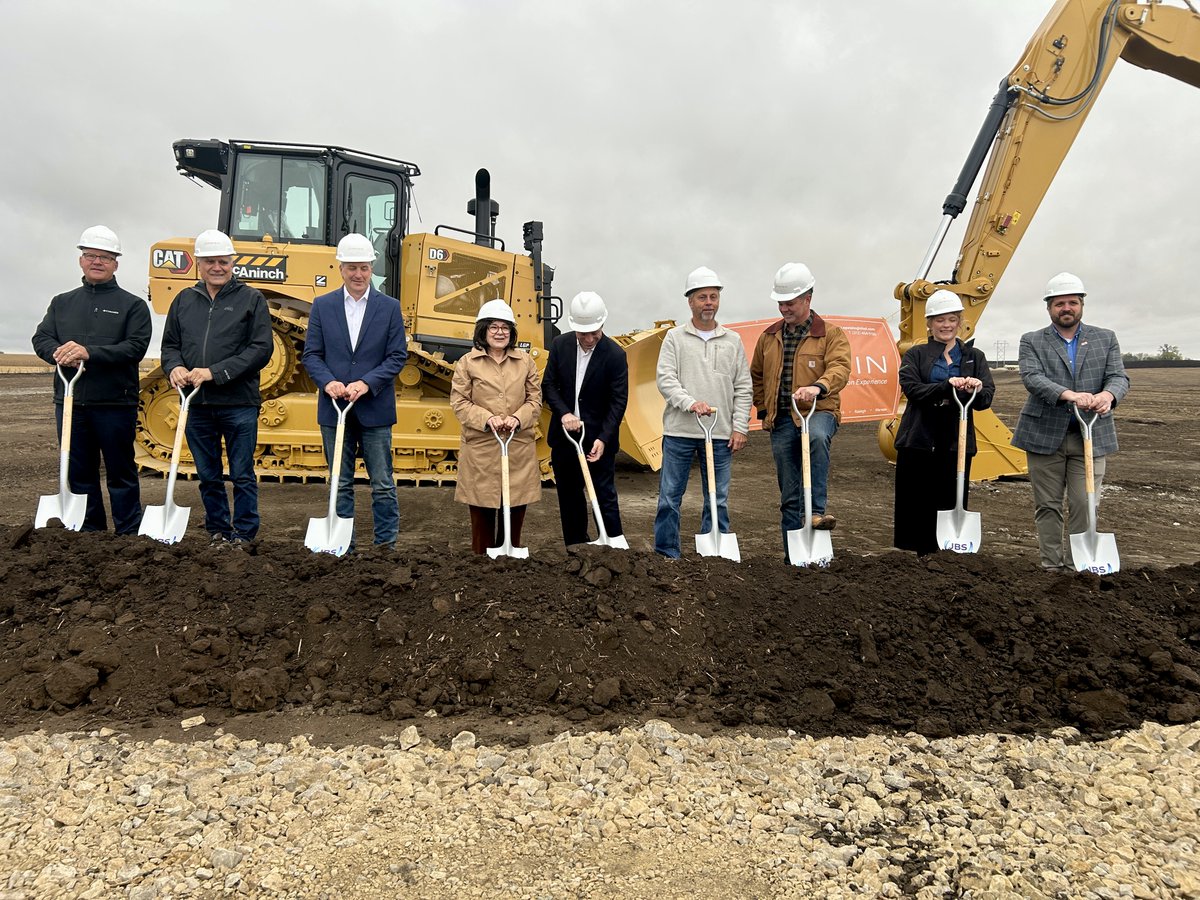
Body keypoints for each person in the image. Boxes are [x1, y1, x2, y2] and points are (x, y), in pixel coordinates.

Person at [31, 226, 152, 534]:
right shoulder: (62, 302)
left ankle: (128, 532)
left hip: (114, 402)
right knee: (79, 471)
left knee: (120, 471)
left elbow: (135, 347)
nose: (97, 261)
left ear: (116, 263)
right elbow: (41, 337)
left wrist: (89, 352)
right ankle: (90, 531)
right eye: (90, 255)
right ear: (81, 260)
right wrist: (59, 353)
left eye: (105, 257)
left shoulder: (133, 305)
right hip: (71, 402)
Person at [160, 229, 272, 547]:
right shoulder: (184, 301)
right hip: (196, 404)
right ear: (199, 264)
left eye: (223, 261)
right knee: (208, 475)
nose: (217, 267)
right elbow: (170, 345)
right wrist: (175, 367)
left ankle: (245, 533)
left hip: (238, 403)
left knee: (241, 473)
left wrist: (215, 372)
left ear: (233, 263)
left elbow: (261, 349)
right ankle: (217, 529)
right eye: (210, 261)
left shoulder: (251, 300)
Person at [1012, 272, 1130, 570]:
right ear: (1049, 307)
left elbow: (1118, 376)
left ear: (1081, 305)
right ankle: (1051, 566)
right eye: (1059, 303)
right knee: (1048, 505)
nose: (1067, 308)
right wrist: (1068, 394)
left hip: (1091, 433)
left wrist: (1107, 396)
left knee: (1085, 502)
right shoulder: (1032, 341)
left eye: (1072, 302)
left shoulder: (1106, 338)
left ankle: (1081, 565)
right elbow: (1032, 378)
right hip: (1043, 433)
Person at [301, 233, 408, 549]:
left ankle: (385, 545)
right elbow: (312, 354)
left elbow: (397, 356)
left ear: (371, 267)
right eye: (351, 268)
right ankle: (341, 543)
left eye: (363, 267)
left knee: (383, 483)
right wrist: (328, 382)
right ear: (341, 269)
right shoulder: (323, 306)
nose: (358, 274)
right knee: (339, 481)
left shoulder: (389, 308)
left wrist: (367, 383)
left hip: (374, 408)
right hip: (335, 410)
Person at [750, 262, 851, 551]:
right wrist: (763, 408)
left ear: (807, 298)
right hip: (782, 418)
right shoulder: (769, 338)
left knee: (817, 437)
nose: (784, 309)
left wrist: (818, 387)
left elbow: (840, 367)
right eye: (781, 303)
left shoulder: (831, 334)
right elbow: (757, 375)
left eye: (790, 303)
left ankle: (817, 512)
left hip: (819, 412)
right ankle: (792, 558)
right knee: (790, 495)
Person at [653, 266, 752, 558]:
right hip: (679, 432)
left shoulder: (732, 341)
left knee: (717, 498)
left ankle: (716, 554)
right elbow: (666, 380)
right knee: (669, 498)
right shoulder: (674, 338)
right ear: (690, 302)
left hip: (719, 434)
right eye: (701, 297)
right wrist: (690, 402)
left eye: (713, 296)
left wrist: (740, 427)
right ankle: (666, 553)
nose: (708, 302)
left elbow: (743, 387)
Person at [892, 290, 995, 554]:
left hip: (956, 435)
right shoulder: (915, 355)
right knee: (917, 500)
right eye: (939, 320)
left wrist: (975, 387)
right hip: (919, 434)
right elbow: (912, 389)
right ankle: (920, 555)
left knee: (950, 495)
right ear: (929, 323)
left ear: (960, 321)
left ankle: (948, 556)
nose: (946, 325)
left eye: (951, 319)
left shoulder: (975, 357)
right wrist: (946, 386)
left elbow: (985, 398)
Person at [450, 300, 542, 554]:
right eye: (493, 327)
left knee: (515, 505)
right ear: (483, 330)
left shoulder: (524, 362)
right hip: (482, 447)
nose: (500, 332)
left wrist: (518, 418)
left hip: (517, 445)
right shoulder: (468, 362)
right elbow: (459, 401)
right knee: (481, 508)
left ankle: (510, 557)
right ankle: (481, 562)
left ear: (512, 332)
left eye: (505, 327)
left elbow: (535, 399)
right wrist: (486, 418)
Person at [542, 291, 629, 545]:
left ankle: (613, 544)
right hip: (565, 438)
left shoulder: (614, 355)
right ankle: (576, 547)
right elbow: (549, 385)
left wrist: (604, 438)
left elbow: (618, 401)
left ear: (602, 324)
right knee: (569, 497)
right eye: (583, 334)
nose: (589, 339)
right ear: (574, 328)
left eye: (595, 332)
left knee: (604, 494)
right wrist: (564, 413)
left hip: (598, 440)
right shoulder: (561, 345)